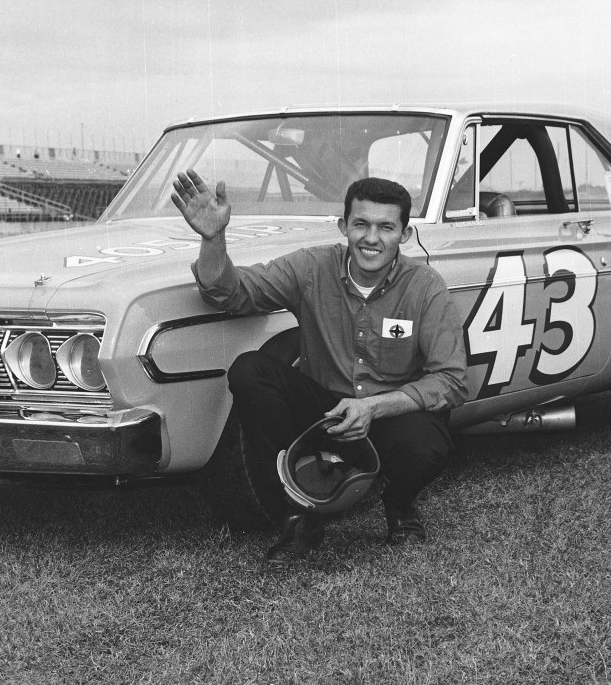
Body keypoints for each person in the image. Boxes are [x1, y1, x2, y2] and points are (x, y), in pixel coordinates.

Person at [171, 170, 468, 563]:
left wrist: (372, 408)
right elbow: (231, 293)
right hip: (324, 411)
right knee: (250, 370)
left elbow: (451, 380)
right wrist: (213, 238)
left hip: (387, 414)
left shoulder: (426, 286)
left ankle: (399, 505)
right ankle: (298, 517)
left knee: (425, 445)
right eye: (361, 224)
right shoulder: (312, 267)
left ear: (405, 234)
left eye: (386, 227)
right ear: (343, 226)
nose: (372, 238)